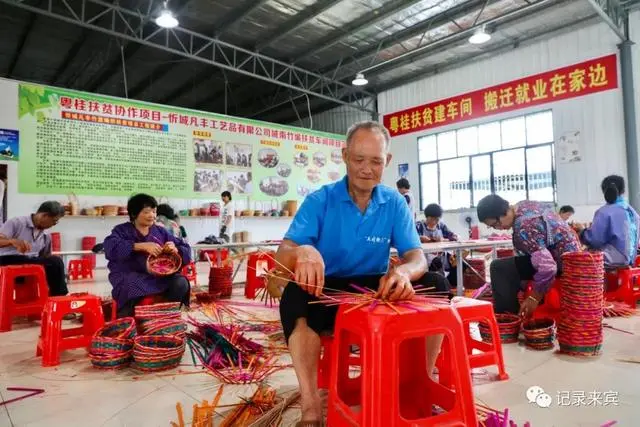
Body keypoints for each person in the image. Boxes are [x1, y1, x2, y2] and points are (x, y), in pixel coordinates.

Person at [275, 121, 450, 425]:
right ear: (344, 155)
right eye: (359, 159)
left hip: (375, 290)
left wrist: (405, 273)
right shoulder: (321, 200)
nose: (367, 169)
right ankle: (311, 405)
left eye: (376, 161)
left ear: (388, 162)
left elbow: (416, 256)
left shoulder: (394, 202)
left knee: (437, 284)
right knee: (293, 296)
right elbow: (282, 255)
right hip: (327, 290)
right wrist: (303, 251)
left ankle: (419, 381)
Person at [477, 195, 580, 318]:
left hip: (564, 263)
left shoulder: (524, 225)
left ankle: (508, 319)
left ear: (502, 213)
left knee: (498, 268)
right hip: (572, 257)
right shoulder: (524, 206)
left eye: (495, 224)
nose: (498, 229)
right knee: (512, 267)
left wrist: (534, 297)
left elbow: (548, 268)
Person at [104, 194, 192, 318]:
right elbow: (110, 247)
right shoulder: (122, 230)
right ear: (134, 214)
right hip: (131, 274)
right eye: (146, 212)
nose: (152, 215)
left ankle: (165, 316)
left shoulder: (160, 231)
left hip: (158, 277)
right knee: (132, 284)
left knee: (181, 282)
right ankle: (127, 320)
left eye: (154, 211)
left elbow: (186, 249)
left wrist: (175, 249)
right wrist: (139, 246)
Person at [0, 201, 67, 296]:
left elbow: (45, 256)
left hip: (30, 263)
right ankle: (59, 298)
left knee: (54, 263)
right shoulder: (17, 222)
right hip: (7, 260)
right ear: (44, 215)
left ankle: (53, 298)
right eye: (54, 221)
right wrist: (11, 241)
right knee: (55, 262)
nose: (54, 224)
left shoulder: (46, 235)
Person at [576, 175, 639, 268]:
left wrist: (582, 233)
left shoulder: (604, 212)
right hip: (630, 261)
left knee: (576, 259)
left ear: (606, 192)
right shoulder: (633, 212)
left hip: (611, 260)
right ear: (623, 191)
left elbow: (595, 240)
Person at [416, 203, 463, 286]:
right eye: (434, 219)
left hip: (441, 255)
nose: (436, 221)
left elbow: (454, 236)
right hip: (425, 256)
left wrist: (443, 239)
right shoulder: (419, 226)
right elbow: (411, 238)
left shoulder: (441, 226)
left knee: (459, 262)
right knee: (436, 263)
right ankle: (441, 284)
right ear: (428, 217)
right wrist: (420, 238)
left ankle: (453, 284)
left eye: (438, 219)